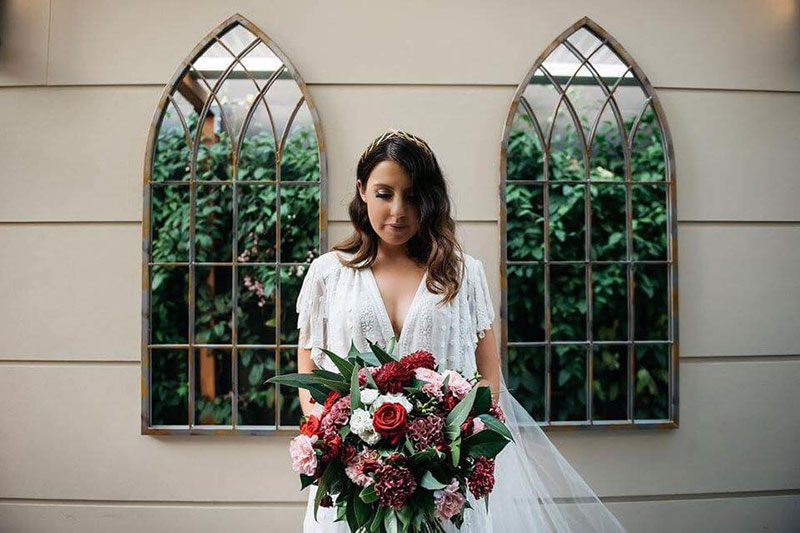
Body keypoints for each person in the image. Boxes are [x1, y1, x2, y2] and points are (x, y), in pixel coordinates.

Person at [295, 130, 626, 532]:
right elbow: (311, 375)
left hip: (443, 488)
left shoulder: (464, 274)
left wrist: (451, 447)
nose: (398, 211)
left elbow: (488, 378)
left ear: (430, 199)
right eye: (384, 193)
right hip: (353, 484)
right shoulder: (328, 273)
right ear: (362, 190)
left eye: (413, 196)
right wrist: (349, 447)